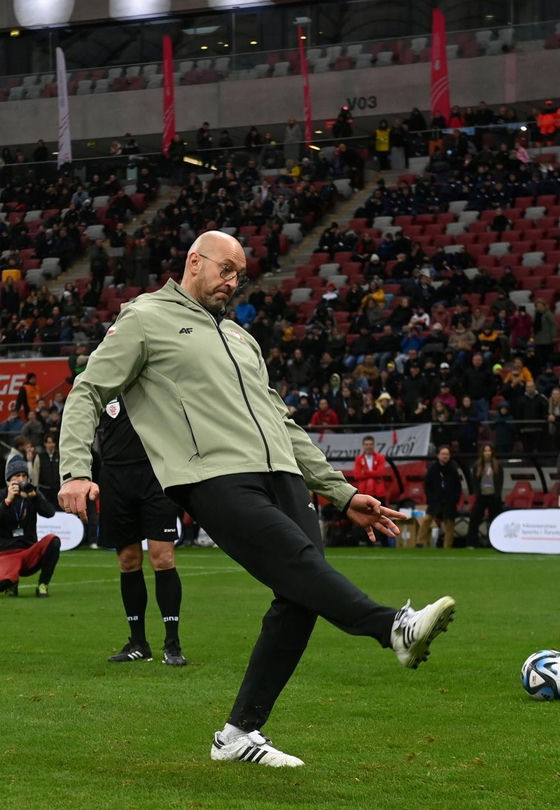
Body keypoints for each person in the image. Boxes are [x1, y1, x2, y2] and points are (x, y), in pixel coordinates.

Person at [57, 231, 456, 768]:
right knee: (297, 566)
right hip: (213, 475)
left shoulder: (243, 340)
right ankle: (393, 627)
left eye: (240, 275)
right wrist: (75, 470)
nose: (233, 282)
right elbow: (88, 391)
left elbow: (282, 423)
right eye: (226, 269)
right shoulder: (144, 318)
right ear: (194, 262)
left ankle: (238, 734)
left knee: (300, 594)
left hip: (284, 475)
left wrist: (341, 493)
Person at [97, 396, 187, 667]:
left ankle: (172, 644)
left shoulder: (154, 379)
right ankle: (138, 643)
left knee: (162, 558)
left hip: (155, 475)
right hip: (114, 477)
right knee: (128, 561)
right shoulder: (103, 385)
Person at [0, 458, 61, 598]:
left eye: (24, 476)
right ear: (9, 479)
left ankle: (43, 584)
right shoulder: (2, 495)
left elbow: (50, 513)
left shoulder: (31, 495)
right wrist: (8, 501)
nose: (21, 479)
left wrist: (35, 497)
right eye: (17, 476)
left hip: (28, 553)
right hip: (6, 554)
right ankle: (11, 584)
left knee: (53, 540)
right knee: (4, 582)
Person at [417, 444, 462, 549]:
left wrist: (455, 499)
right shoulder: (433, 469)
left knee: (449, 524)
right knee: (427, 519)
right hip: (435, 501)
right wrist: (431, 498)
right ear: (438, 455)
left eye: (447, 454)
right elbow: (427, 485)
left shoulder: (453, 469)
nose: (445, 456)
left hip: (449, 502)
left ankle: (447, 547)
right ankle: (420, 542)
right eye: (443, 454)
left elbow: (457, 486)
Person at [352, 435, 390, 547]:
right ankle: (369, 542)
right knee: (366, 518)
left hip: (378, 493)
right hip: (364, 493)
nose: (368, 446)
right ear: (363, 446)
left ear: (374, 445)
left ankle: (385, 542)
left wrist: (366, 473)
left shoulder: (380, 457)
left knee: (382, 517)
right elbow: (357, 475)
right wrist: (373, 473)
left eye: (370, 444)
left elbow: (381, 473)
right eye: (366, 444)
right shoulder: (359, 459)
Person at [467, 443, 503, 548]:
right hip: (481, 497)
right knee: (474, 519)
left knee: (495, 520)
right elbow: (474, 481)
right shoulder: (476, 466)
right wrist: (477, 493)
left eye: (489, 450)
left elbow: (500, 481)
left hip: (494, 497)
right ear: (482, 453)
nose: (487, 453)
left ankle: (495, 543)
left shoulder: (498, 465)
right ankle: (471, 543)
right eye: (485, 451)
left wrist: (497, 494)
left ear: (492, 452)